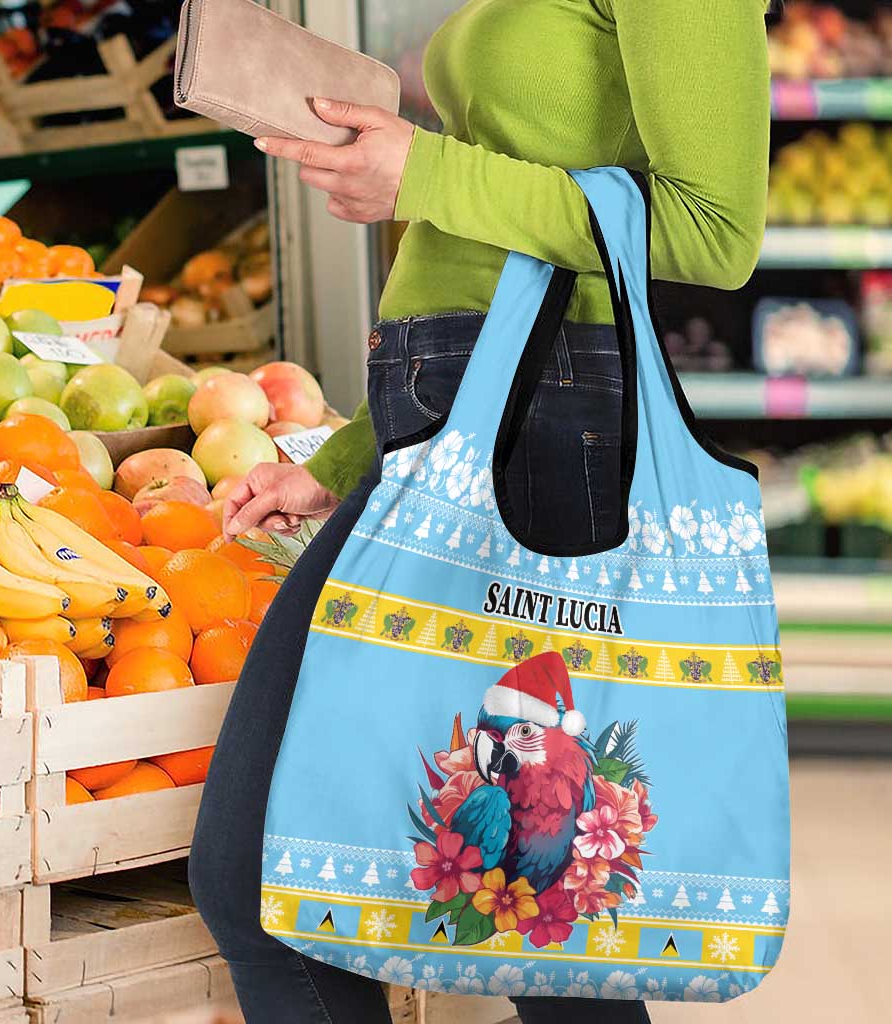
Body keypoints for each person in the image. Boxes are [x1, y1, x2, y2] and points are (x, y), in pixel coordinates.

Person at [189, 2, 773, 1021]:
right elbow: (493, 241)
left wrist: (424, 173)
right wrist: (348, 456)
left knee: (528, 926)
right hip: (461, 431)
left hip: (550, 440)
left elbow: (715, 230)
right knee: (531, 931)